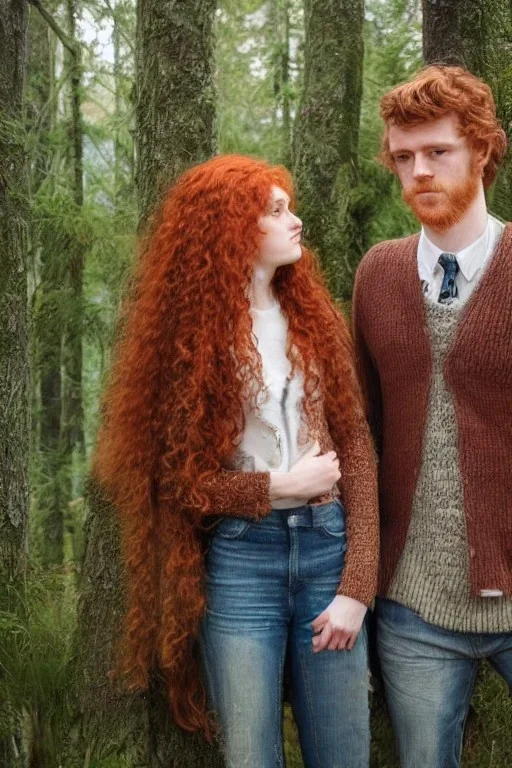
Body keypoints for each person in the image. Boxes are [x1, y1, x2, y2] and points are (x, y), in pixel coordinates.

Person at [93, 154, 379, 768]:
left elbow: (354, 443)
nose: (295, 221)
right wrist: (277, 485)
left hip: (329, 549)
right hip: (241, 562)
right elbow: (179, 481)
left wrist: (358, 586)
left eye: (288, 207)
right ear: (231, 230)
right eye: (276, 212)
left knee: (345, 754)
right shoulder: (192, 341)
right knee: (250, 756)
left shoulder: (314, 318)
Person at [352, 65, 512, 768]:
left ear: (481, 151)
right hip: (412, 606)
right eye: (403, 156)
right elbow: (360, 431)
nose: (418, 170)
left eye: (437, 152)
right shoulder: (377, 275)